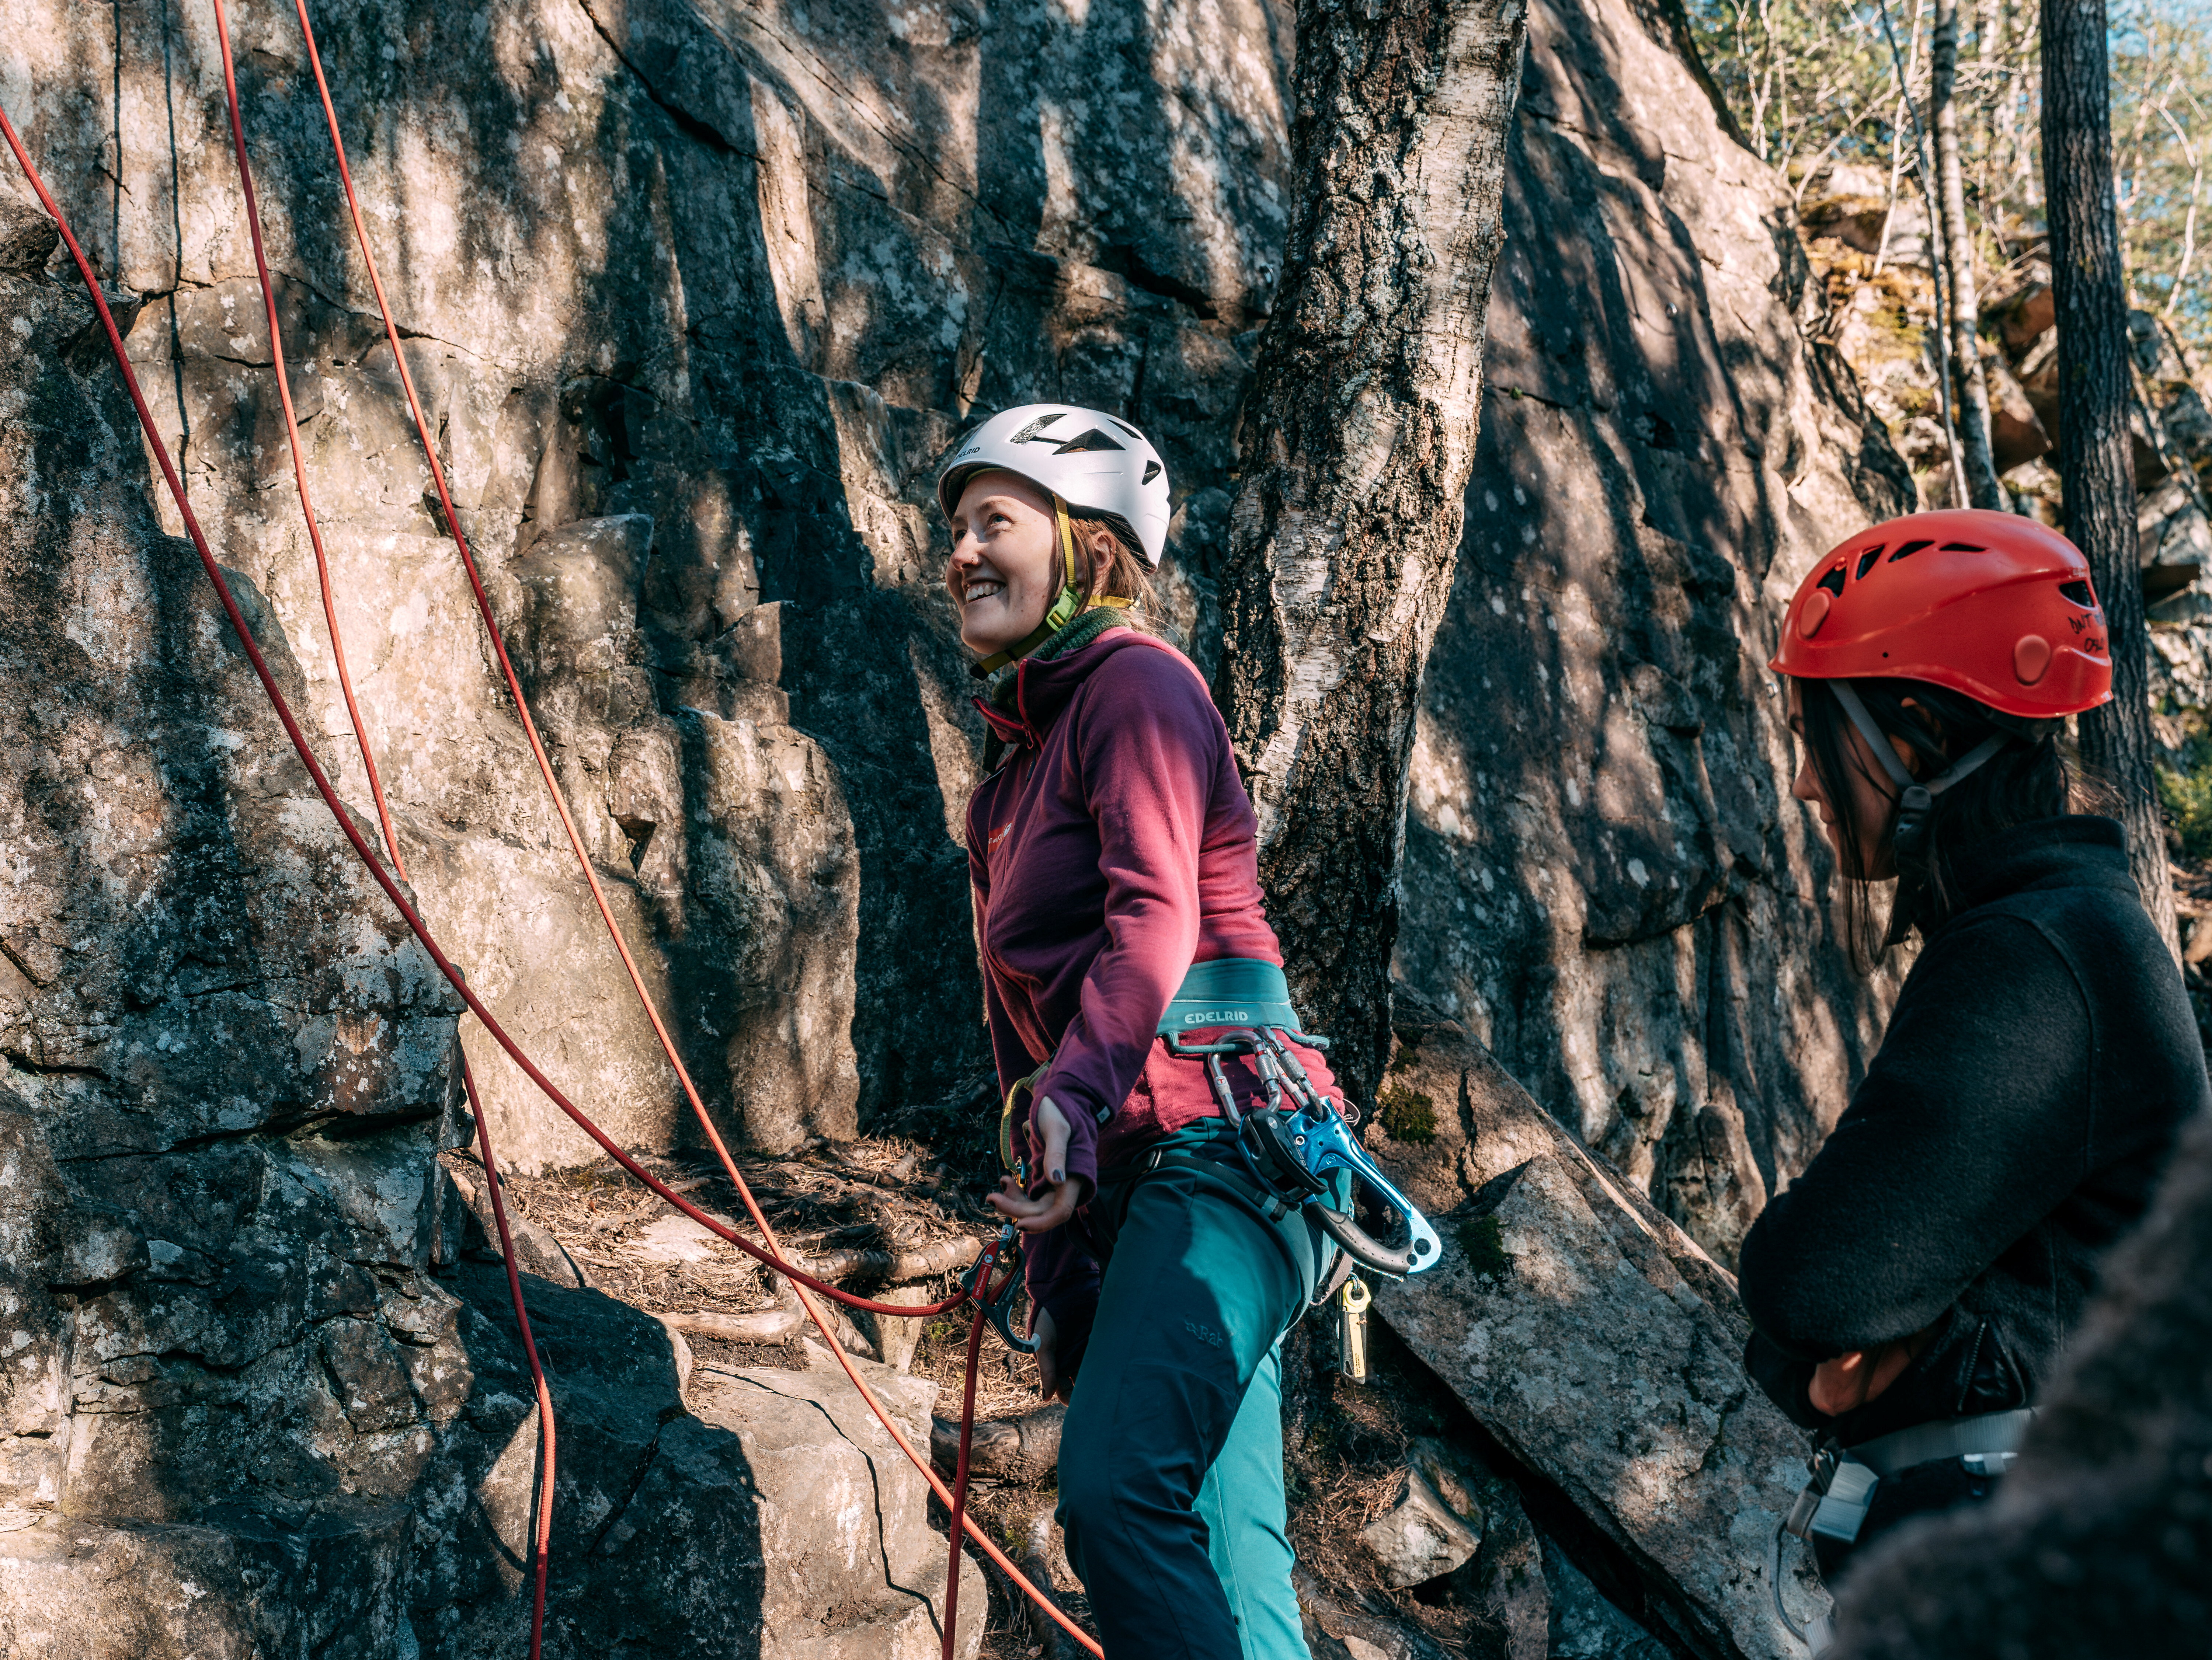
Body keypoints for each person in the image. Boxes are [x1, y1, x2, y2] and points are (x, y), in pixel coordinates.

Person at [1740, 509, 2210, 1582]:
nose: (1808, 782)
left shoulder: (2035, 957)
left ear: (1918, 734)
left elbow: (1815, 1283)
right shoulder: (2070, 932)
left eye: (1819, 733)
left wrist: (1876, 1350)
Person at [942, 403, 1338, 1659]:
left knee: (1116, 1499)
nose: (960, 551)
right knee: (1229, 1554)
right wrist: (1062, 1283)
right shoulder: (1009, 783)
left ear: (1085, 545)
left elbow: (1156, 923)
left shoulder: (1141, 687)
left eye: (994, 521)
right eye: (954, 527)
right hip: (1147, 1175)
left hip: (1231, 1151)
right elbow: (1025, 1061)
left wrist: (1071, 1103)